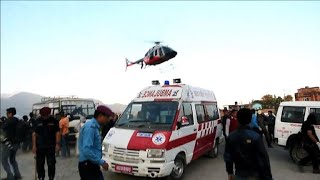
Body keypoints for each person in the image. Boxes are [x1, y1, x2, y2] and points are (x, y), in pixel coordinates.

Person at [224, 108, 273, 180]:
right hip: (255, 175)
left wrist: (230, 172)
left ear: (237, 119)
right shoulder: (256, 137)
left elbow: (228, 158)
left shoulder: (231, 137)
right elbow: (264, 159)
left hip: (239, 175)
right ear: (250, 119)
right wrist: (268, 177)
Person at [78, 105, 114, 180]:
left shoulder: (95, 127)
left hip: (91, 164)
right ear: (100, 116)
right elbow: (86, 149)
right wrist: (101, 162)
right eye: (107, 118)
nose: (108, 120)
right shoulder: (90, 127)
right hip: (88, 164)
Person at [32, 107, 61, 180]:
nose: (44, 117)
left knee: (51, 164)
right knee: (40, 164)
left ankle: (51, 177)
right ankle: (41, 177)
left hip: (51, 146)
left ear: (49, 114)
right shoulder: (37, 121)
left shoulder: (54, 121)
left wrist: (57, 144)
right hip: (40, 146)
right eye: (43, 115)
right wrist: (34, 145)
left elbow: (57, 132)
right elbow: (34, 134)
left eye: (46, 115)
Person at [1, 107, 22, 180]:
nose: (6, 114)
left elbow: (2, 128)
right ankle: (17, 175)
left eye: (7, 113)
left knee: (3, 159)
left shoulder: (9, 121)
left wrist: (2, 122)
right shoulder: (17, 120)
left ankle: (10, 177)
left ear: (10, 113)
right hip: (16, 143)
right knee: (12, 159)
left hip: (8, 143)